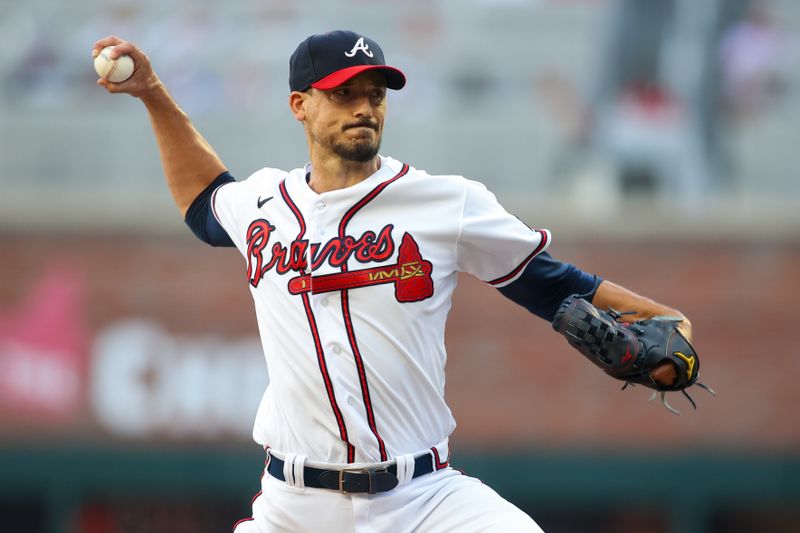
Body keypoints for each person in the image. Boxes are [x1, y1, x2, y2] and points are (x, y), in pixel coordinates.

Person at [93, 30, 687, 533]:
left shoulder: (445, 202)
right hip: (295, 507)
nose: (363, 107)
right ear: (300, 105)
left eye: (374, 94)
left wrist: (666, 317)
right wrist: (151, 94)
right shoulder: (263, 204)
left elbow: (556, 286)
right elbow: (204, 201)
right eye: (343, 93)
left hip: (425, 500)